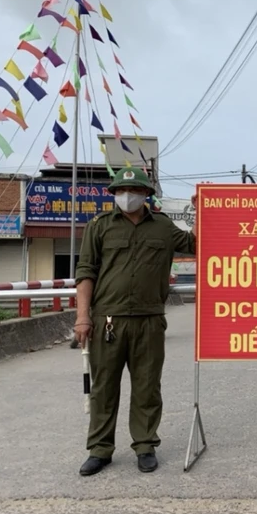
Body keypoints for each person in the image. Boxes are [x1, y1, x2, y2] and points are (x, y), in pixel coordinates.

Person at [73, 167, 196, 476]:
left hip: (150, 320)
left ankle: (144, 445)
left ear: (146, 195)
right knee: (103, 387)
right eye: (120, 191)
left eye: (134, 191)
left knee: (147, 386)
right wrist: (83, 317)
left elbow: (198, 244)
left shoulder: (164, 228)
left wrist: (203, 209)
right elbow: (86, 271)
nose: (127, 196)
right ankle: (100, 449)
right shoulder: (99, 227)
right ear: (114, 194)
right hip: (108, 320)